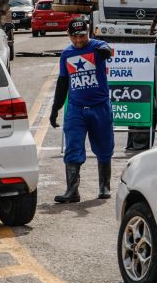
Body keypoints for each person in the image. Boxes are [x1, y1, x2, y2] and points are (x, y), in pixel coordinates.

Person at [49, 18, 114, 203]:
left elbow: (107, 49)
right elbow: (62, 83)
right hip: (76, 110)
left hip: (100, 107)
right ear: (68, 35)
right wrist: (55, 109)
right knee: (73, 147)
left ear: (89, 33)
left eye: (82, 36)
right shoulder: (66, 54)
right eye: (74, 36)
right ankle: (72, 190)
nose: (78, 40)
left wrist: (104, 51)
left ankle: (104, 186)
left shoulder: (97, 46)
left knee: (104, 147)